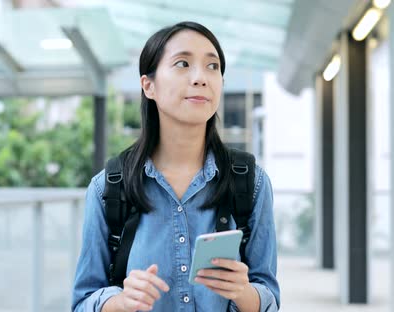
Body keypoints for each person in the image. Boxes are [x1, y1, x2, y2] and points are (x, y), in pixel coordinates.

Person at [71, 21, 280, 312]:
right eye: (183, 63)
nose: (200, 78)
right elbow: (82, 303)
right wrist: (119, 302)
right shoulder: (108, 188)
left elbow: (269, 296)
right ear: (149, 85)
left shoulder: (251, 182)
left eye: (213, 66)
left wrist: (242, 292)